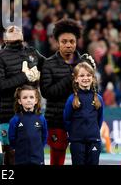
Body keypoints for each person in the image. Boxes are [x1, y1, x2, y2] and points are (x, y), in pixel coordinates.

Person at [40, 18, 95, 165]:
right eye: (64, 41)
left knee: (83, 159)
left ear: (77, 42)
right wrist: (71, 77)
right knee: (57, 160)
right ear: (57, 42)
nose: (69, 45)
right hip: (56, 119)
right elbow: (47, 92)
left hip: (81, 119)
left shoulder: (85, 62)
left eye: (72, 41)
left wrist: (90, 74)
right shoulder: (48, 64)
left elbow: (94, 91)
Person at [0, 25, 45, 165]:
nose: (14, 28)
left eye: (17, 28)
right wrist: (24, 76)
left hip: (31, 114)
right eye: (10, 29)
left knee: (32, 151)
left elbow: (51, 66)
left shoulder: (32, 52)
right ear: (5, 39)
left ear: (23, 36)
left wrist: (76, 61)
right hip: (7, 115)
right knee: (11, 154)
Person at [63, 62, 104, 165]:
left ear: (93, 78)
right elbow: (66, 119)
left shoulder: (98, 99)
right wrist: (74, 134)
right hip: (77, 141)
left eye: (88, 75)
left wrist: (92, 132)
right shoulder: (71, 99)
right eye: (82, 75)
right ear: (76, 79)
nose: (85, 78)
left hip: (94, 140)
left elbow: (99, 119)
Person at [8, 85, 47, 165]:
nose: (28, 100)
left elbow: (44, 136)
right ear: (19, 101)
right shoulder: (15, 120)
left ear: (36, 100)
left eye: (31, 97)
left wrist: (38, 149)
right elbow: (12, 138)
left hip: (38, 158)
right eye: (25, 97)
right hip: (21, 159)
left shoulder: (41, 118)